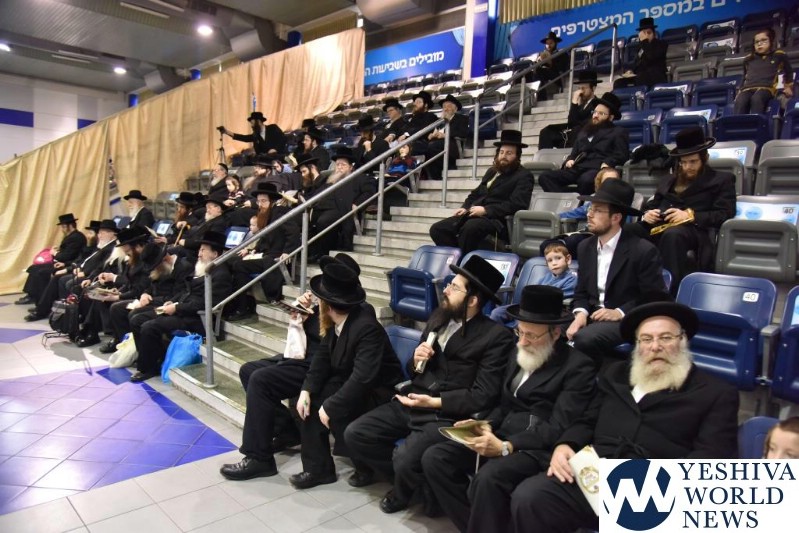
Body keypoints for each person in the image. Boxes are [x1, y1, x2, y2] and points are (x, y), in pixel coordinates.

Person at [511, 299, 739, 533]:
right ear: (637, 345)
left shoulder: (716, 393)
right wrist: (566, 444)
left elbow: (709, 458)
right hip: (597, 476)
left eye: (666, 338)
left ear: (683, 340)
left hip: (657, 489)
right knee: (531, 497)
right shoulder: (615, 374)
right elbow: (588, 419)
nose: (655, 346)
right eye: (646, 339)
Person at [345, 256, 516, 514]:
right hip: (415, 399)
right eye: (449, 284)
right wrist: (416, 360)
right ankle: (416, 485)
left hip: (447, 413)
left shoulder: (496, 337)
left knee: (404, 459)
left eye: (454, 287)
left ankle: (404, 490)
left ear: (472, 300)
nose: (446, 290)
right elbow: (414, 371)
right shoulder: (439, 317)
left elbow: (483, 395)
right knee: (356, 434)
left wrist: (435, 402)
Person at [422, 285, 595, 533]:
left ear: (556, 333)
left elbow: (558, 427)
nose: (522, 341)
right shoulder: (518, 352)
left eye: (531, 335)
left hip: (536, 447)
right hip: (501, 431)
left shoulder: (578, 367)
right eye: (519, 332)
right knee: (436, 459)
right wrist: (484, 425)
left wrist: (507, 446)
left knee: (488, 479)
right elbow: (504, 404)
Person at [220, 254, 361, 481]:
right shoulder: (325, 302)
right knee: (248, 370)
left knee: (261, 379)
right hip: (303, 355)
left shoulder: (355, 309)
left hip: (320, 365)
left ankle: (259, 458)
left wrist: (316, 314)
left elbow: (330, 346)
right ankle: (286, 430)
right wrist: (302, 313)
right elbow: (309, 337)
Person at [288, 257, 404, 490]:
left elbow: (364, 378)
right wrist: (306, 389)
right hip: (351, 380)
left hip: (379, 391)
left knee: (332, 406)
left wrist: (331, 406)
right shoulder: (337, 320)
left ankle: (365, 466)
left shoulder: (365, 327)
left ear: (327, 305)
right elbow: (322, 358)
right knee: (308, 401)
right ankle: (318, 469)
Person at [565, 179, 664, 366]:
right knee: (545, 325)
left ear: (616, 218)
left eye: (597, 210)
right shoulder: (585, 247)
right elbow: (581, 292)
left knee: (584, 338)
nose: (589, 214)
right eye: (590, 208)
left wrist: (619, 312)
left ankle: (591, 379)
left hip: (626, 321)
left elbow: (654, 298)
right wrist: (580, 314)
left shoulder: (642, 250)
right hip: (592, 315)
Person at [630, 127, 736, 292]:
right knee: (629, 230)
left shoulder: (722, 180)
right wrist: (647, 214)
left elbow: (724, 213)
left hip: (692, 230)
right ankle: (629, 286)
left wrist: (689, 215)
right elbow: (653, 204)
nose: (687, 167)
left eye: (693, 162)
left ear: (705, 158)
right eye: (683, 162)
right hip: (659, 225)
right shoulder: (668, 179)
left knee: (673, 235)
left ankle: (669, 292)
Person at [132, 230, 232, 383]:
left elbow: (206, 304)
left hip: (196, 318)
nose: (199, 254)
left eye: (203, 250)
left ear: (215, 254)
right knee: (137, 319)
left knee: (149, 327)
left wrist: (177, 308)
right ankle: (151, 358)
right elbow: (186, 291)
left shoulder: (221, 275)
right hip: (182, 309)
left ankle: (148, 368)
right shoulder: (203, 268)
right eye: (199, 249)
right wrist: (172, 302)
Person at [429, 129, 534, 254]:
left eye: (509, 153)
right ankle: (458, 258)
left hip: (497, 220)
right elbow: (475, 193)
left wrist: (486, 210)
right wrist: (465, 207)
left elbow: (517, 204)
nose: (503, 156)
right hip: (475, 215)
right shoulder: (492, 171)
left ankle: (465, 263)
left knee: (470, 229)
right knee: (437, 229)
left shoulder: (524, 176)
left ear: (517, 156)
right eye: (501, 152)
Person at [103, 241, 194, 354]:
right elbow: (150, 286)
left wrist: (151, 300)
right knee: (117, 308)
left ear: (165, 259)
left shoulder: (183, 267)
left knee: (135, 316)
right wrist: (145, 294)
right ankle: (126, 347)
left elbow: (177, 295)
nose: (154, 269)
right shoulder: (162, 268)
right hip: (154, 302)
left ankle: (147, 354)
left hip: (167, 306)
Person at [226, 182, 300, 320]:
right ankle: (241, 305)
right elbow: (263, 238)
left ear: (272, 201)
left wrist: (287, 251)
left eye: (264, 201)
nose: (260, 204)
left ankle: (248, 305)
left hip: (276, 256)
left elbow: (293, 233)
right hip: (265, 254)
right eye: (259, 201)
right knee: (234, 263)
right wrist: (253, 250)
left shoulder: (280, 212)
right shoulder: (264, 214)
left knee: (246, 265)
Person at [25, 219, 119, 322]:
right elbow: (84, 260)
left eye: (102, 233)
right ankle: (59, 312)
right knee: (56, 277)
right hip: (80, 270)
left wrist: (85, 273)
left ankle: (66, 313)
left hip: (92, 275)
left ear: (112, 234)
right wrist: (74, 267)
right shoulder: (100, 245)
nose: (99, 236)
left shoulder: (111, 248)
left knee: (65, 281)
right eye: (99, 233)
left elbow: (100, 266)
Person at [538, 92, 629, 195]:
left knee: (585, 180)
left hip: (596, 168)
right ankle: (567, 200)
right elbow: (574, 153)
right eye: (595, 112)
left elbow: (622, 155)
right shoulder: (584, 131)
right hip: (577, 168)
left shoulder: (618, 132)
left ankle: (580, 203)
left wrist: (608, 162)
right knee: (545, 177)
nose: (595, 116)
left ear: (611, 117)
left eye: (601, 113)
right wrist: (570, 160)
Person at [490, 242, 577, 328]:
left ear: (568, 259)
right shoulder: (545, 278)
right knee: (497, 313)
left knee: (523, 320)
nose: (554, 263)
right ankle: (498, 334)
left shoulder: (572, 280)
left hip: (545, 312)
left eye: (558, 258)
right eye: (550, 260)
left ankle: (513, 333)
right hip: (528, 307)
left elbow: (555, 299)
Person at [16, 213, 87, 306]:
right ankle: (31, 295)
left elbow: (67, 256)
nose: (62, 229)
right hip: (63, 263)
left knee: (42, 272)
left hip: (68, 265)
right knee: (33, 268)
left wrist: (55, 253)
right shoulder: (71, 236)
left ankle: (40, 299)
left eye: (63, 227)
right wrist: (57, 253)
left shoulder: (76, 238)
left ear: (70, 226)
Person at [734, 28, 794, 114]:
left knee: (757, 98)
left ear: (771, 41)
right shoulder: (748, 59)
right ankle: (738, 123)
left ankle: (756, 122)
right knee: (740, 100)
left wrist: (788, 87)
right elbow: (745, 76)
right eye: (757, 42)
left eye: (764, 40)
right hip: (748, 88)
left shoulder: (779, 55)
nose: (759, 44)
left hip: (767, 88)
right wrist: (740, 91)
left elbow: (789, 72)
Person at [538, 70, 601, 150]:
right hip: (572, 133)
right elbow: (571, 121)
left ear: (593, 88)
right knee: (546, 132)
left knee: (576, 130)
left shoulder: (598, 104)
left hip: (583, 134)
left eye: (583, 88)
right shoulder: (580, 105)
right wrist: (574, 102)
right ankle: (544, 157)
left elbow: (581, 123)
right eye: (579, 88)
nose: (581, 91)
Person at [615, 17, 668, 90]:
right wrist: (631, 71)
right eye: (644, 33)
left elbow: (651, 56)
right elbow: (637, 63)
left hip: (655, 77)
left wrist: (644, 41)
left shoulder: (661, 44)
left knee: (644, 77)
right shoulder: (640, 47)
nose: (646, 36)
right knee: (618, 83)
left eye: (649, 33)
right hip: (640, 78)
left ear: (654, 34)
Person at [425, 94, 469, 180]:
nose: (445, 109)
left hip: (452, 145)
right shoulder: (439, 121)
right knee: (422, 148)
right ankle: (434, 176)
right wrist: (431, 135)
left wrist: (446, 135)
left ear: (455, 109)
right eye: (444, 107)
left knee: (432, 147)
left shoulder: (462, 118)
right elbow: (434, 132)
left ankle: (448, 168)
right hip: (436, 144)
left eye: (448, 106)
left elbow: (464, 132)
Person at [221, 111, 286, 156]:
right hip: (265, 161)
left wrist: (275, 149)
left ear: (258, 121)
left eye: (252, 123)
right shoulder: (255, 135)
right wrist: (226, 132)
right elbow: (244, 138)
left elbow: (283, 139)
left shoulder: (273, 128)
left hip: (278, 158)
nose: (251, 125)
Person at [530, 31, 570, 100]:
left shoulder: (562, 54)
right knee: (534, 72)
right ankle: (536, 96)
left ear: (555, 43)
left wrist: (551, 63)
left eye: (551, 43)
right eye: (547, 43)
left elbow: (563, 68)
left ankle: (541, 97)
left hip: (558, 76)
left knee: (539, 71)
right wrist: (538, 62)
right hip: (544, 75)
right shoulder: (542, 54)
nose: (549, 45)